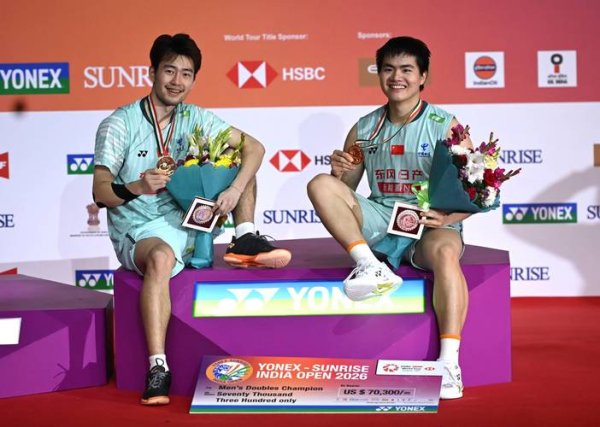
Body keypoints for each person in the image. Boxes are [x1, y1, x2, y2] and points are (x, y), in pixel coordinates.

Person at [92, 33, 291, 406]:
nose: (177, 81)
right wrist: (138, 185)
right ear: (152, 72)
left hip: (189, 219)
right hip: (140, 226)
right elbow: (100, 192)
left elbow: (255, 147)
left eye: (186, 74)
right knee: (161, 258)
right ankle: (158, 367)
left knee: (240, 165)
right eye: (169, 71)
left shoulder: (195, 117)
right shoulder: (120, 123)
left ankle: (244, 238)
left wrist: (234, 191)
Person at [307, 36, 473, 400]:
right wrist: (339, 172)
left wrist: (448, 217)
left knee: (446, 254)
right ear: (379, 74)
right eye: (388, 69)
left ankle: (449, 363)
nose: (397, 77)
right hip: (381, 216)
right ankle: (369, 266)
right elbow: (345, 191)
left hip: (430, 221)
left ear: (423, 76)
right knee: (320, 184)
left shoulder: (445, 125)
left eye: (406, 70)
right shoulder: (365, 128)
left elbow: (476, 187)